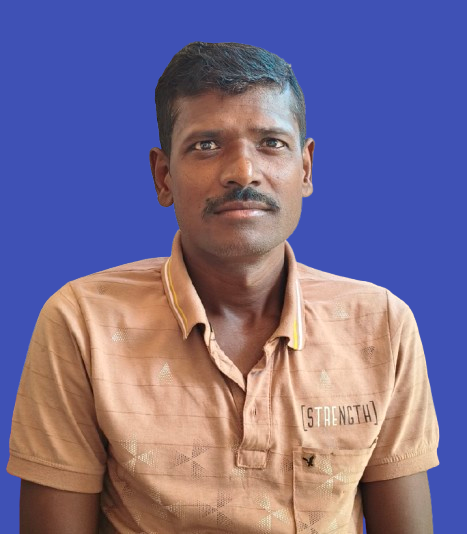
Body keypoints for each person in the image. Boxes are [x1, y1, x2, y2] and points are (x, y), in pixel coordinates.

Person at [8, 42, 439, 534]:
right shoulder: (83, 322)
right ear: (163, 176)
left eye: (271, 142)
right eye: (206, 145)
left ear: (305, 168)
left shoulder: (380, 323)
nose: (242, 172)